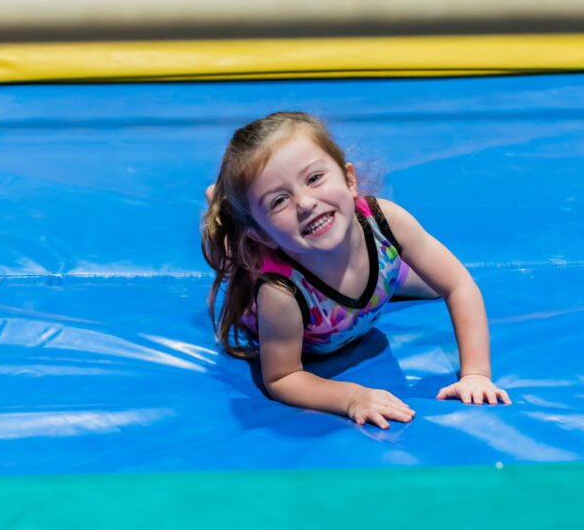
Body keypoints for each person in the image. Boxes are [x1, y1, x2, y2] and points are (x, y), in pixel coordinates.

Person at [202, 112, 510, 429]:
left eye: (313, 178)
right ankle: (225, 206)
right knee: (233, 250)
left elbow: (458, 284)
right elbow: (283, 377)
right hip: (300, 296)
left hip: (375, 281)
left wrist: (475, 374)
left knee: (435, 282)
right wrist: (350, 397)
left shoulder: (387, 223)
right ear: (266, 234)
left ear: (350, 180)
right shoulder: (280, 294)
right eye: (279, 200)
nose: (305, 203)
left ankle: (242, 203)